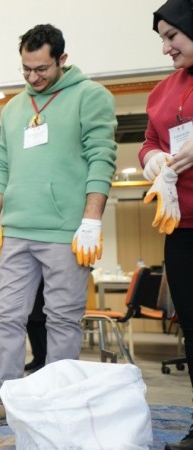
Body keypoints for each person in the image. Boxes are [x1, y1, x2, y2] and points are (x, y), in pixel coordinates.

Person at [0, 24, 117, 427]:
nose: (34, 78)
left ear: (62, 60)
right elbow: (1, 162)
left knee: (62, 321)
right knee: (7, 316)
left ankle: (57, 405)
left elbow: (102, 158)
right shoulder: (14, 107)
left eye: (42, 69)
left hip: (66, 232)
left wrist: (91, 221)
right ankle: (6, 398)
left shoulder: (91, 96)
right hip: (17, 230)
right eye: (26, 69)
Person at [141, 2, 193, 447]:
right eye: (161, 37)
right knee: (191, 325)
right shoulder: (161, 92)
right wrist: (152, 158)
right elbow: (149, 141)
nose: (165, 47)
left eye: (172, 35)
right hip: (181, 227)